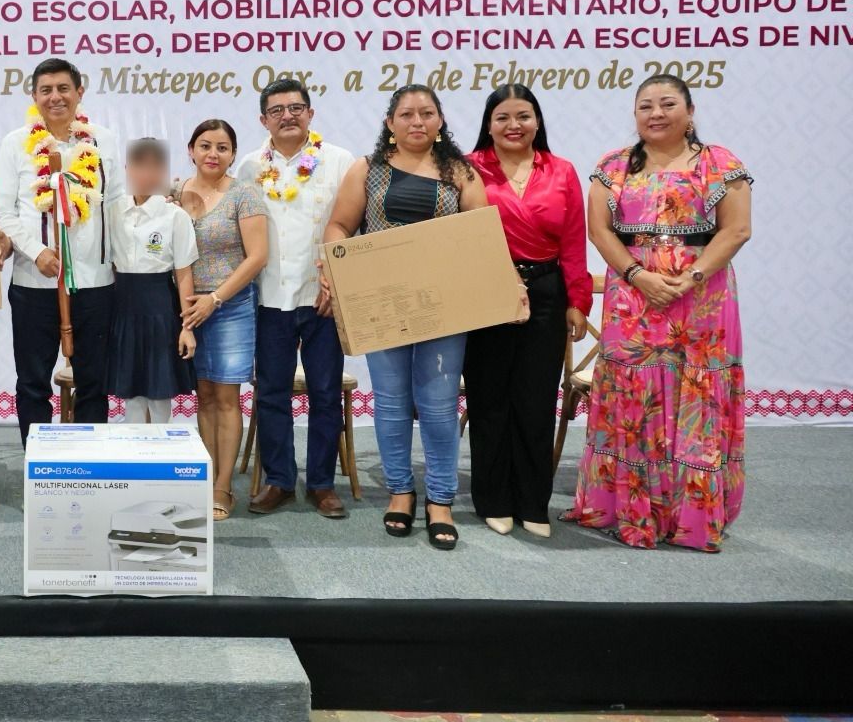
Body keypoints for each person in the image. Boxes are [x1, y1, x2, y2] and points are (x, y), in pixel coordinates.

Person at [563, 74, 752, 552]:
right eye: (645, 105)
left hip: (702, 300)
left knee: (697, 399)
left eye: (668, 103)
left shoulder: (720, 164)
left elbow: (736, 231)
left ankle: (691, 517)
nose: (656, 113)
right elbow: (599, 231)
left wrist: (688, 279)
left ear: (690, 112)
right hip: (633, 299)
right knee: (632, 400)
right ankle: (629, 508)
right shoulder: (613, 166)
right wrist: (637, 276)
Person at [322, 85, 489, 551]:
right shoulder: (367, 170)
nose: (417, 121)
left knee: (437, 404)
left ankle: (440, 499)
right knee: (392, 401)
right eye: (406, 114)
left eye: (426, 113)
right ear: (390, 123)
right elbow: (339, 226)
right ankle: (400, 491)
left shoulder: (461, 172)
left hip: (445, 304)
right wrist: (336, 261)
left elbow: (481, 236)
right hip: (383, 303)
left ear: (440, 122)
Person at [464, 85, 593, 538]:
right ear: (488, 124)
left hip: (546, 288)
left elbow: (574, 240)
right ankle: (493, 499)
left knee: (536, 399)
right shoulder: (468, 168)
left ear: (538, 121)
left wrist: (578, 300)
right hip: (486, 288)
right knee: (489, 397)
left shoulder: (561, 171)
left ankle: (532, 503)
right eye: (502, 117)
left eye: (523, 116)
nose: (513, 125)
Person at [237, 78, 355, 519]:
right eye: (277, 110)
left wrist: (337, 282)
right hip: (268, 299)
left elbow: (351, 227)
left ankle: (323, 483)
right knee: (271, 393)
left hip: (323, 297)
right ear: (263, 119)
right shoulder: (249, 166)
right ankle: (280, 480)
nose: (287, 115)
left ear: (310, 113)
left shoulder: (340, 161)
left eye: (296, 107)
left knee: (325, 393)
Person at [0, 58, 123, 442]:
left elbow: (115, 203)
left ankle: (90, 465)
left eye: (63, 88)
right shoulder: (16, 143)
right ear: (33, 96)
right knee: (33, 382)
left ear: (79, 92)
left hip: (95, 281)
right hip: (35, 283)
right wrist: (36, 251)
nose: (55, 97)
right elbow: (1, 210)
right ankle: (41, 470)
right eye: (45, 89)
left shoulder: (103, 140)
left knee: (93, 382)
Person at [178, 119, 267, 521]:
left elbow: (257, 257)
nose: (213, 154)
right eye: (205, 146)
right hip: (187, 310)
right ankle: (204, 476)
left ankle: (223, 486)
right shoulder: (173, 194)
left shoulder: (245, 194)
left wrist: (215, 298)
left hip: (229, 307)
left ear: (233, 154)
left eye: (223, 147)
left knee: (227, 398)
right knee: (204, 395)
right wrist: (191, 307)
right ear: (191, 149)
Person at [106, 138, 198, 425]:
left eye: (153, 167)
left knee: (159, 391)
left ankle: (160, 453)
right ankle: (134, 457)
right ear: (127, 169)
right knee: (131, 392)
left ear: (163, 172)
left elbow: (184, 275)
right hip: (122, 307)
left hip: (161, 308)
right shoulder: (113, 212)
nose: (145, 174)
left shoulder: (175, 216)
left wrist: (187, 328)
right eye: (138, 166)